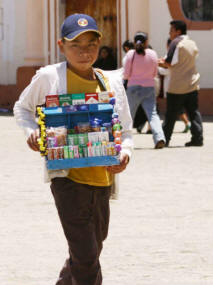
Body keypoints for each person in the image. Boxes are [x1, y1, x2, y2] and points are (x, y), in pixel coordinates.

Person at [13, 13, 133, 285]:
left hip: (103, 179)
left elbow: (125, 130)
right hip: (67, 179)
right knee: (87, 256)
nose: (84, 51)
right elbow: (22, 108)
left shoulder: (110, 82)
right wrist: (31, 131)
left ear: (99, 46)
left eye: (91, 44)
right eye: (75, 45)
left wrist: (126, 153)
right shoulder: (49, 77)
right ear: (61, 45)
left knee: (90, 250)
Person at [159, 20, 203, 147]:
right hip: (192, 83)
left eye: (171, 30)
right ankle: (198, 139)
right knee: (193, 112)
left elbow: (168, 63)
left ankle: (165, 139)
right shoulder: (192, 43)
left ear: (178, 31)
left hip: (177, 86)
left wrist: (156, 62)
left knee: (171, 115)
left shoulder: (176, 43)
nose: (170, 33)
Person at [123, 31, 165, 149]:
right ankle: (159, 138)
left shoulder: (130, 54)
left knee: (129, 114)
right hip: (149, 87)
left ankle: (123, 140)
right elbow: (155, 73)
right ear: (146, 42)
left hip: (133, 87)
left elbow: (126, 74)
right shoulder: (152, 53)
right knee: (152, 114)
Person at [158, 38, 191, 133]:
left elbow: (168, 70)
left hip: (172, 85)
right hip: (175, 84)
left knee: (173, 107)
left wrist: (158, 68)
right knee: (177, 106)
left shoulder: (171, 56)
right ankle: (186, 123)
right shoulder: (175, 55)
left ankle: (167, 128)